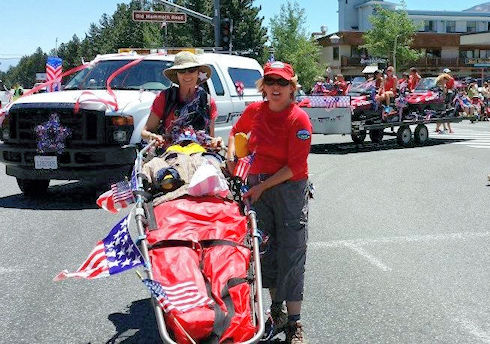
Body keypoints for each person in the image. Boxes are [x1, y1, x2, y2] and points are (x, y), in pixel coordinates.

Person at [226, 61, 312, 344]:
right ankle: (276, 313)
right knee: (265, 250)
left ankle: (294, 323)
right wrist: (231, 155)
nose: (276, 88)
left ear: (292, 87)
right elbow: (235, 134)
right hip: (258, 186)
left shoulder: (298, 119)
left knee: (292, 251)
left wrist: (261, 186)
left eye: (282, 83)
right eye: (270, 82)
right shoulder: (254, 111)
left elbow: (295, 168)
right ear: (262, 86)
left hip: (287, 188)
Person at [141, 51, 219, 147]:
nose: (187, 75)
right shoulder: (164, 97)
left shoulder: (208, 101)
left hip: (200, 155)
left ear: (198, 73)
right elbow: (145, 132)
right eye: (182, 71)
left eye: (191, 70)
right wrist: (153, 136)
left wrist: (216, 142)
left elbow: (211, 139)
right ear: (176, 74)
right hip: (169, 153)